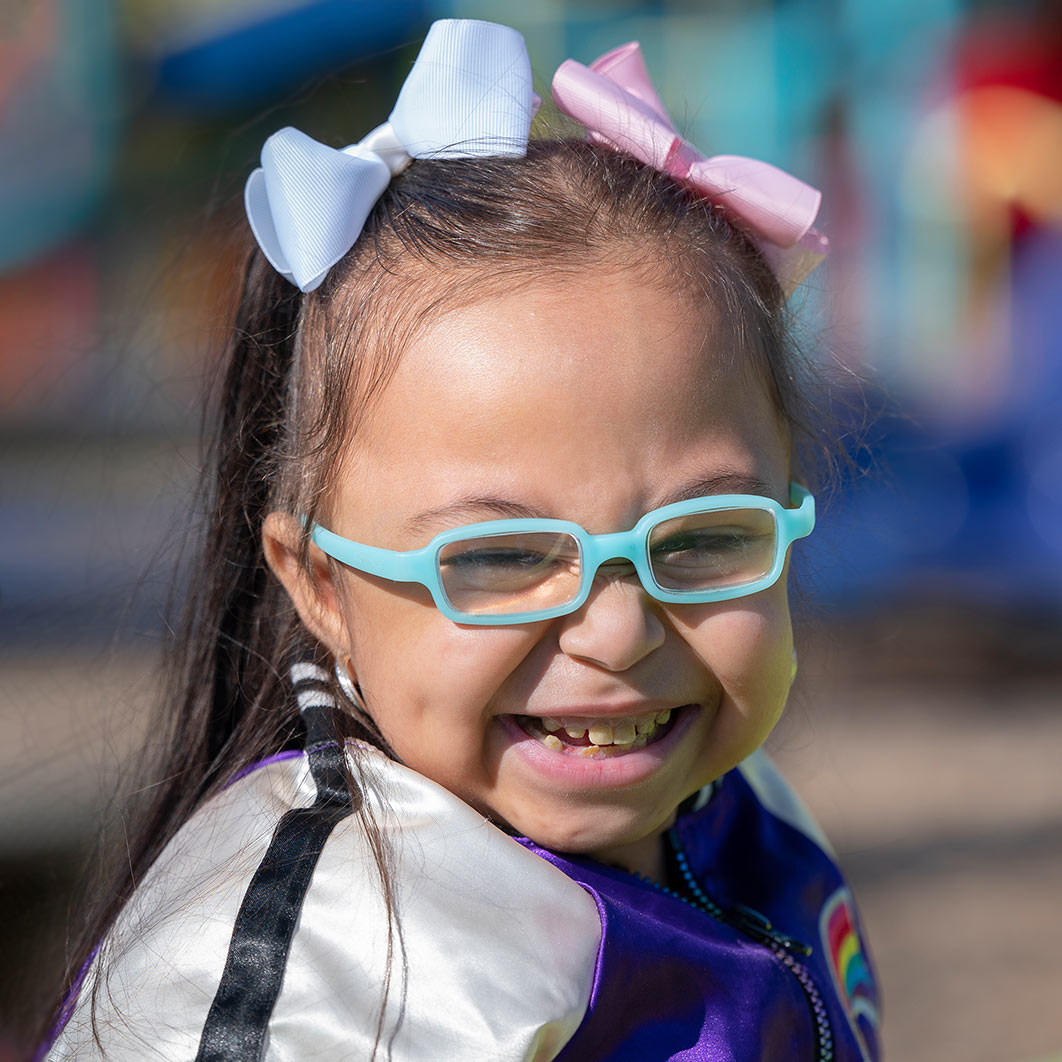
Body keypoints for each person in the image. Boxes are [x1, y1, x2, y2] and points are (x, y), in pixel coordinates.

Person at [39, 19, 880, 1062]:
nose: (618, 635)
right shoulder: (339, 974)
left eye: (703, 540)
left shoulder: (743, 813)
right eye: (501, 558)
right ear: (319, 583)